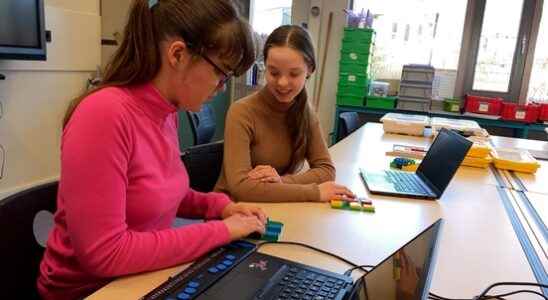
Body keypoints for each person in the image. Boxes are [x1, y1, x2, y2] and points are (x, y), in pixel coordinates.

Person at [37, 1, 266, 299]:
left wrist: (220, 207)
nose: (222, 87)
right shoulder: (103, 114)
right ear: (178, 54)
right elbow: (105, 253)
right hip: (91, 291)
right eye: (222, 74)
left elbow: (162, 193)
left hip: (142, 279)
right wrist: (222, 231)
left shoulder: (166, 111)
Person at [214, 25, 355, 202]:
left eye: (294, 74)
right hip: (230, 210)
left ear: (309, 70)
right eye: (273, 72)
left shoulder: (305, 112)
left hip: (274, 206)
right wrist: (315, 192)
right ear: (264, 66)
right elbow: (241, 188)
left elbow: (326, 170)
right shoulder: (242, 112)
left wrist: (281, 181)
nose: (282, 82)